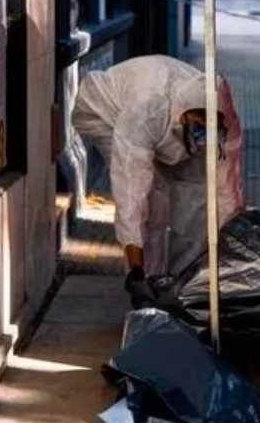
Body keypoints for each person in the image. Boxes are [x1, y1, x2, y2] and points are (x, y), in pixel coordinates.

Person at [72, 55, 244, 307]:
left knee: (197, 195)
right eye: (199, 124)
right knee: (153, 198)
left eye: (211, 126)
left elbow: (228, 186)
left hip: (164, 124)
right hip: (106, 112)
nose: (204, 132)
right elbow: (130, 191)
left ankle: (182, 281)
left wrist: (230, 245)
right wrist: (135, 269)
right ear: (185, 115)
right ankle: (148, 285)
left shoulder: (226, 120)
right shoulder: (148, 108)